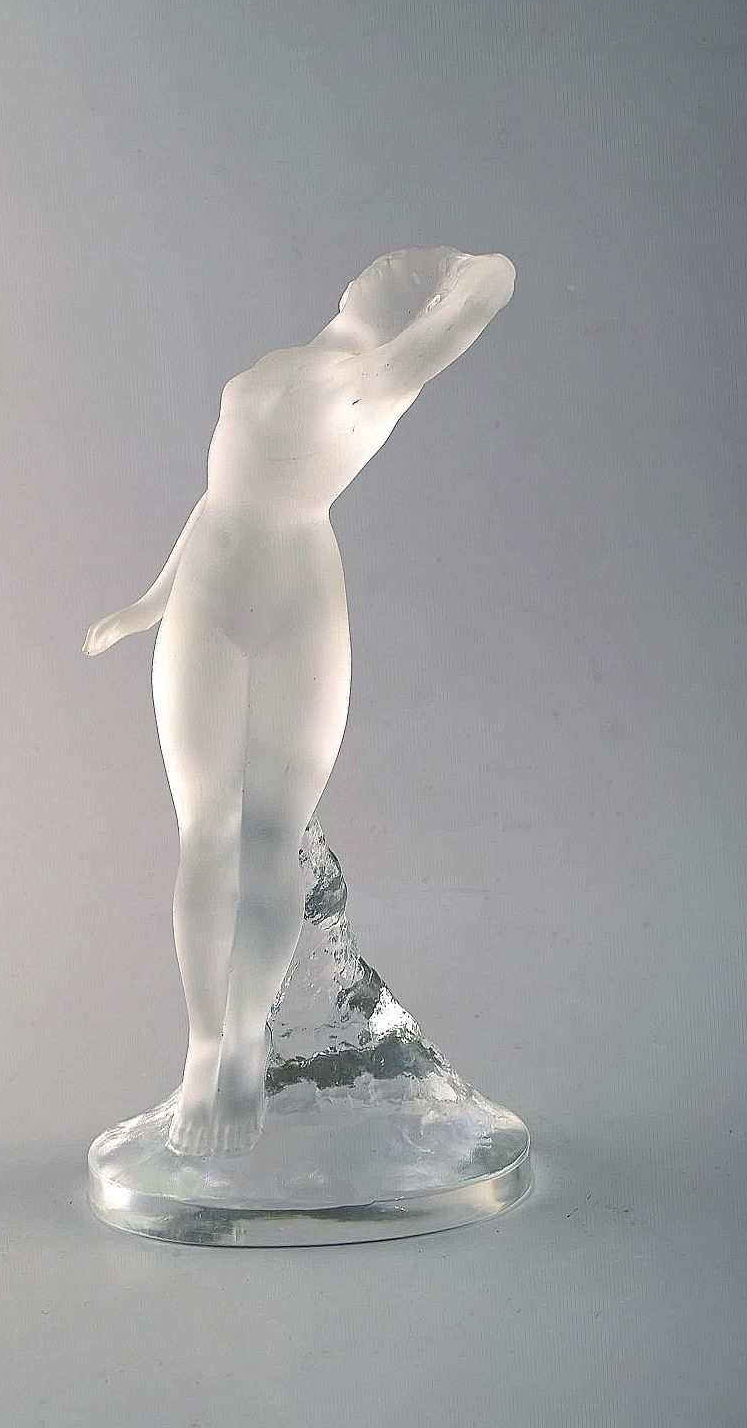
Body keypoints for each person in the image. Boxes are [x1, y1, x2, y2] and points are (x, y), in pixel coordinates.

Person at [83, 245, 516, 1155]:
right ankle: (206, 1043)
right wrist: (149, 602)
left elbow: (492, 280)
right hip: (208, 592)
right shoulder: (287, 365)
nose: (364, 275)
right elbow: (220, 493)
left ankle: (246, 1041)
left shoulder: (382, 378)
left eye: (384, 274)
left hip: (298, 604)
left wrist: (445, 277)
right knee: (205, 830)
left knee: (269, 834)